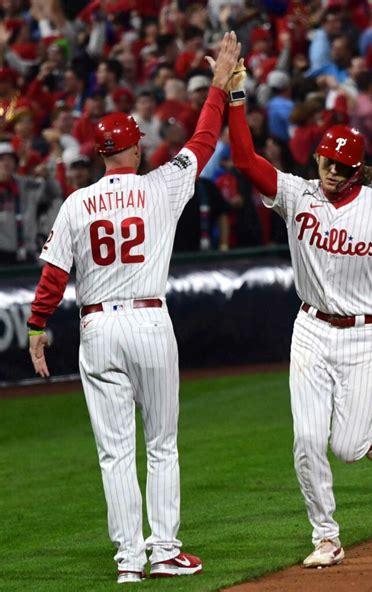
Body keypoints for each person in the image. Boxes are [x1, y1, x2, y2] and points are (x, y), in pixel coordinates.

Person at [222, 59, 372, 567]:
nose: (332, 173)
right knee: (307, 440)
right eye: (326, 163)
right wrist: (237, 99)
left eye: (342, 166)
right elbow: (245, 160)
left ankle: (370, 428)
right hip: (311, 329)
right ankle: (326, 536)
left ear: (359, 169)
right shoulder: (297, 194)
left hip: (363, 336)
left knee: (350, 448)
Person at [27, 31, 241, 584]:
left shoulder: (77, 201)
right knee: (161, 444)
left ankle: (129, 562)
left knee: (114, 454)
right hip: (149, 319)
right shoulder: (160, 187)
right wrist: (218, 85)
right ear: (136, 147)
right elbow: (204, 138)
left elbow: (53, 275)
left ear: (101, 153)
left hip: (97, 326)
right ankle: (165, 550)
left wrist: (36, 327)